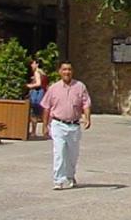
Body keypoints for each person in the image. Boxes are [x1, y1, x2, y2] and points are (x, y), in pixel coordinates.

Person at [40, 61, 92, 190]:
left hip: (74, 125)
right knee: (59, 152)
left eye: (69, 69)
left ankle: (70, 175)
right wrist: (45, 126)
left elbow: (86, 103)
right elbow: (46, 107)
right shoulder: (53, 88)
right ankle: (58, 180)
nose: (66, 72)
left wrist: (87, 118)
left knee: (73, 154)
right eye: (64, 69)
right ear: (60, 71)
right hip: (58, 124)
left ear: (72, 71)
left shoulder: (80, 86)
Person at [26, 59, 49, 137]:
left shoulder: (37, 72)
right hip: (43, 94)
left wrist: (29, 85)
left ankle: (33, 132)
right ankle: (45, 131)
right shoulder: (43, 73)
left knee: (34, 113)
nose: (31, 65)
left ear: (37, 64)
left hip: (37, 94)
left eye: (33, 63)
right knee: (43, 114)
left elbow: (38, 83)